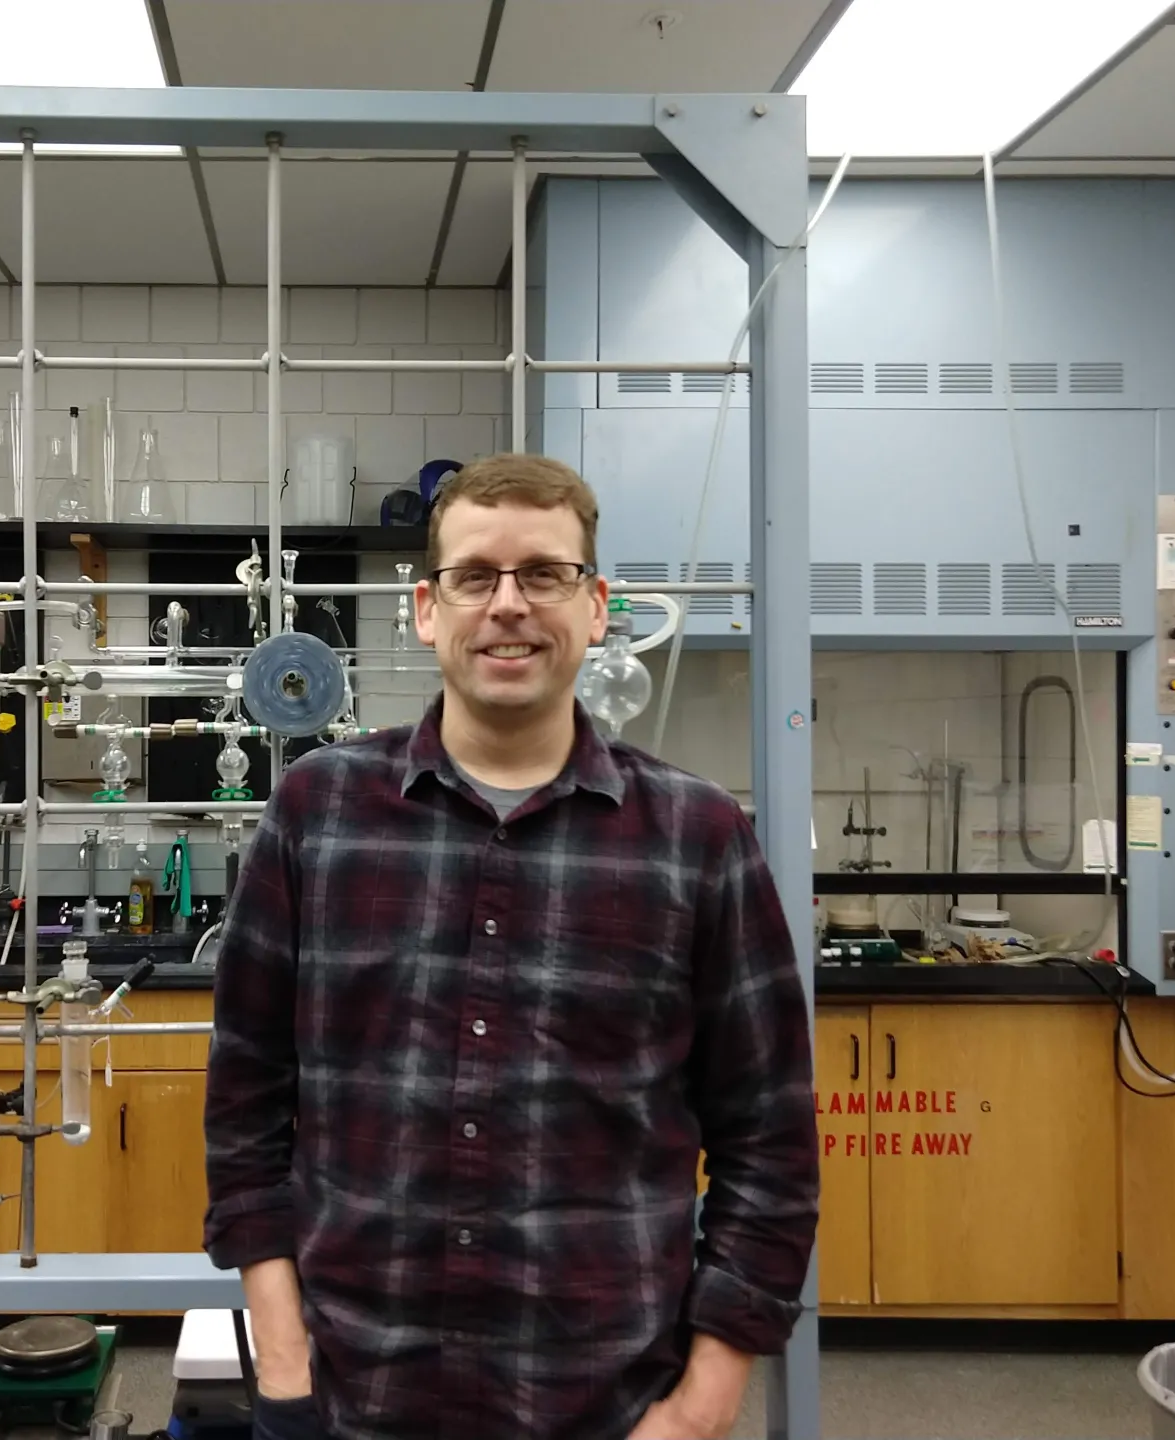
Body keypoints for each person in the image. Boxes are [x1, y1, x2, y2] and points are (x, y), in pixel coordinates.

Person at [203, 454, 818, 1440]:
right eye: (475, 576)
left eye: (543, 573)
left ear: (596, 604)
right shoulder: (316, 815)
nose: (508, 605)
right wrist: (283, 1364)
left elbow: (772, 1147)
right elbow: (245, 1110)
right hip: (351, 1401)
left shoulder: (698, 838)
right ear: (426, 608)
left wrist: (698, 1412)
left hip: (612, 1404)